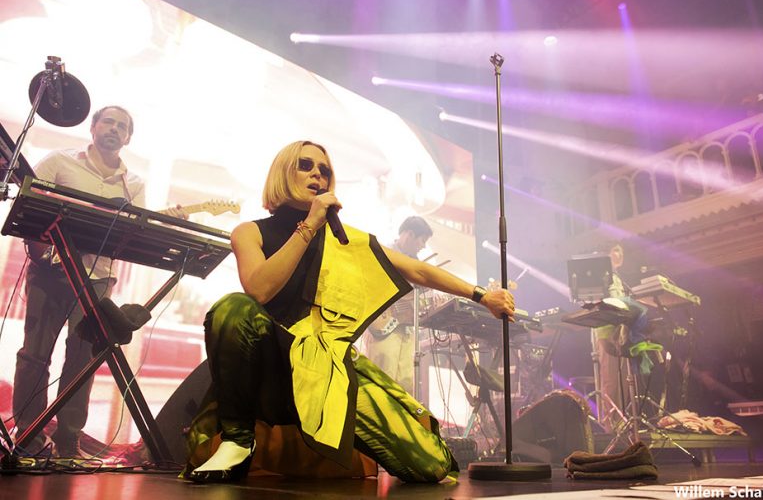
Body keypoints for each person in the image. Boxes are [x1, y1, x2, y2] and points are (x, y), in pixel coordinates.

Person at [183, 140, 515, 483]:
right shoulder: (250, 232)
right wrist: (309, 225)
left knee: (430, 466)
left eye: (324, 170)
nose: (317, 175)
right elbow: (260, 288)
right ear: (283, 172)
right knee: (233, 308)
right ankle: (238, 442)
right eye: (306, 165)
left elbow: (417, 270)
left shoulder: (346, 240)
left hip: (324, 369)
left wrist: (481, 295)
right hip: (271, 369)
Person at [12, 106, 188, 457]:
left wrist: (168, 224)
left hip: (97, 279)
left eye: (122, 126)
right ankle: (28, 438)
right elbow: (29, 202)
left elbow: (133, 233)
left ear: (128, 139)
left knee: (82, 363)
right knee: (35, 355)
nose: (114, 129)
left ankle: (67, 443)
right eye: (108, 121)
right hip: (50, 271)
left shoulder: (132, 183)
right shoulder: (59, 161)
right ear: (93, 127)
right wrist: (39, 250)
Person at [360, 216, 433, 393]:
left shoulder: (417, 264)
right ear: (409, 234)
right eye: (422, 240)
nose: (423, 246)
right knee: (382, 380)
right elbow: (367, 287)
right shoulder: (383, 253)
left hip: (406, 329)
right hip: (383, 325)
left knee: (405, 385)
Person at [592, 243, 649, 428]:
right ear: (606, 253)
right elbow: (598, 301)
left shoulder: (618, 278)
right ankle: (609, 426)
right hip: (606, 332)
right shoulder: (601, 275)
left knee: (625, 379)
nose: (619, 254)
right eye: (615, 250)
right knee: (611, 380)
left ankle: (623, 422)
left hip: (621, 332)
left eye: (621, 251)